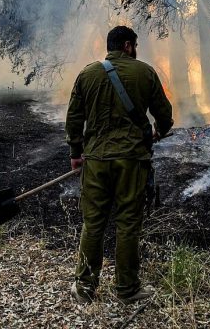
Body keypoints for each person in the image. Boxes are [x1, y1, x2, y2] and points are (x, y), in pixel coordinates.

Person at [66, 26, 173, 305]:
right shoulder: (145, 72)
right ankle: (127, 289)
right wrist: (160, 130)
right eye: (134, 44)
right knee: (127, 224)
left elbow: (74, 118)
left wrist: (76, 152)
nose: (136, 49)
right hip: (131, 162)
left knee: (93, 224)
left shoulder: (86, 74)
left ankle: (85, 288)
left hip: (96, 162)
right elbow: (164, 114)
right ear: (127, 45)